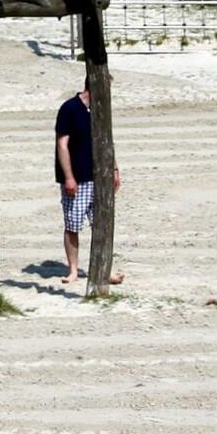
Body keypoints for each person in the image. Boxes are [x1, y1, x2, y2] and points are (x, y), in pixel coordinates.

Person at [55, 80, 122, 285]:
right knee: (73, 224)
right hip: (78, 178)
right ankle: (73, 270)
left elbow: (107, 141)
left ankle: (104, 270)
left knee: (102, 224)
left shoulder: (100, 109)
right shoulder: (70, 108)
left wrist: (114, 169)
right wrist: (69, 177)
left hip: (100, 178)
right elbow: (62, 145)